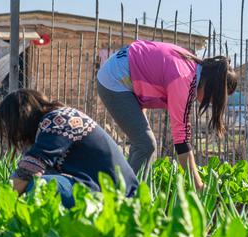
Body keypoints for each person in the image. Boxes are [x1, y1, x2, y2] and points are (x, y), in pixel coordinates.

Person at [95, 40, 237, 190]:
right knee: (146, 144)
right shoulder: (184, 79)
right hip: (115, 80)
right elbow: (181, 141)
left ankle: (128, 191)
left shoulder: (192, 68)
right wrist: (198, 186)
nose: (212, 103)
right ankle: (125, 198)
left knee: (144, 145)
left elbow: (149, 70)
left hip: (124, 74)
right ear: (212, 87)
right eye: (216, 99)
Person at [0, 89, 138, 208]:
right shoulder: (56, 119)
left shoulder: (57, 120)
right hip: (100, 188)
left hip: (116, 196)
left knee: (39, 187)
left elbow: (28, 170)